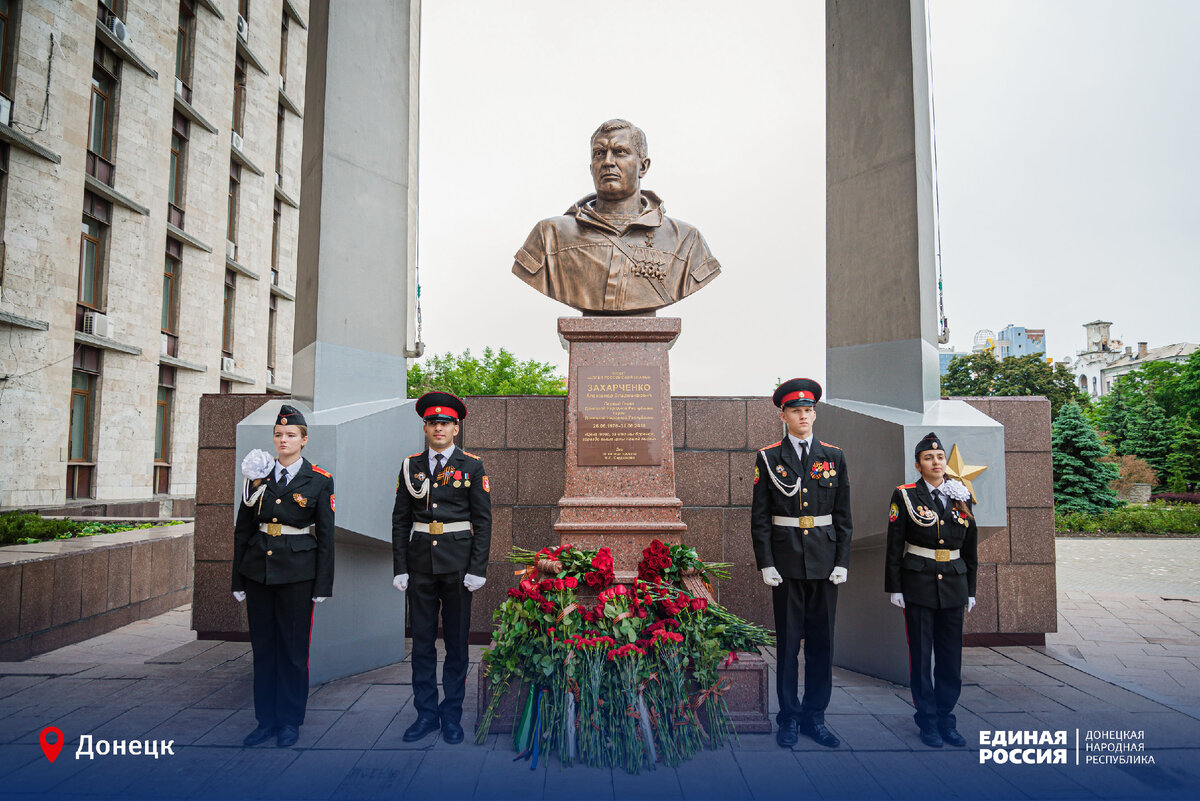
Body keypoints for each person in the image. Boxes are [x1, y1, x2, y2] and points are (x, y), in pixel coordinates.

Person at [512, 118, 721, 314]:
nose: (608, 162)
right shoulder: (550, 236)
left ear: (643, 166)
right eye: (599, 153)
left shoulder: (686, 240)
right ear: (591, 167)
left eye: (620, 152)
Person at [750, 378, 852, 749]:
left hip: (825, 563)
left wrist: (842, 560)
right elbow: (760, 516)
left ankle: (815, 718)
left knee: (822, 645)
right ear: (784, 415)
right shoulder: (769, 457)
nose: (804, 415)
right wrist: (766, 562)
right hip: (788, 563)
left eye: (809, 410)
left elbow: (843, 515)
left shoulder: (833, 456)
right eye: (797, 410)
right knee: (789, 646)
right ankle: (789, 718)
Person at [392, 391, 492, 744]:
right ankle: (425, 715)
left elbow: (483, 519)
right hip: (419, 566)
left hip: (458, 568)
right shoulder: (410, 466)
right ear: (425, 428)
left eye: (445, 423)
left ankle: (451, 717)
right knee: (421, 644)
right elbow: (400, 519)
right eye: (433, 423)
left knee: (456, 645)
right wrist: (400, 566)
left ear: (456, 428)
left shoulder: (472, 466)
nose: (439, 428)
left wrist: (477, 568)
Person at [232, 404, 335, 748]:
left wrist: (322, 584)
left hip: (297, 575)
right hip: (258, 571)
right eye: (278, 434)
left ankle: (290, 721)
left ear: (304, 440)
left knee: (293, 653)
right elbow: (243, 529)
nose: (283, 440)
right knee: (263, 650)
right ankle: (266, 720)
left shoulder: (319, 480)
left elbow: (326, 536)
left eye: (291, 435)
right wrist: (237, 579)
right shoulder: (258, 477)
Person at [884, 432, 978, 748]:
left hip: (953, 583)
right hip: (919, 584)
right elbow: (895, 544)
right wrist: (894, 587)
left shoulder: (960, 494)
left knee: (951, 658)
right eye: (928, 458)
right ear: (918, 464)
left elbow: (970, 549)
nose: (935, 462)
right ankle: (927, 721)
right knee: (922, 656)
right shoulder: (905, 495)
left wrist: (971, 589)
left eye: (939, 458)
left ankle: (946, 719)